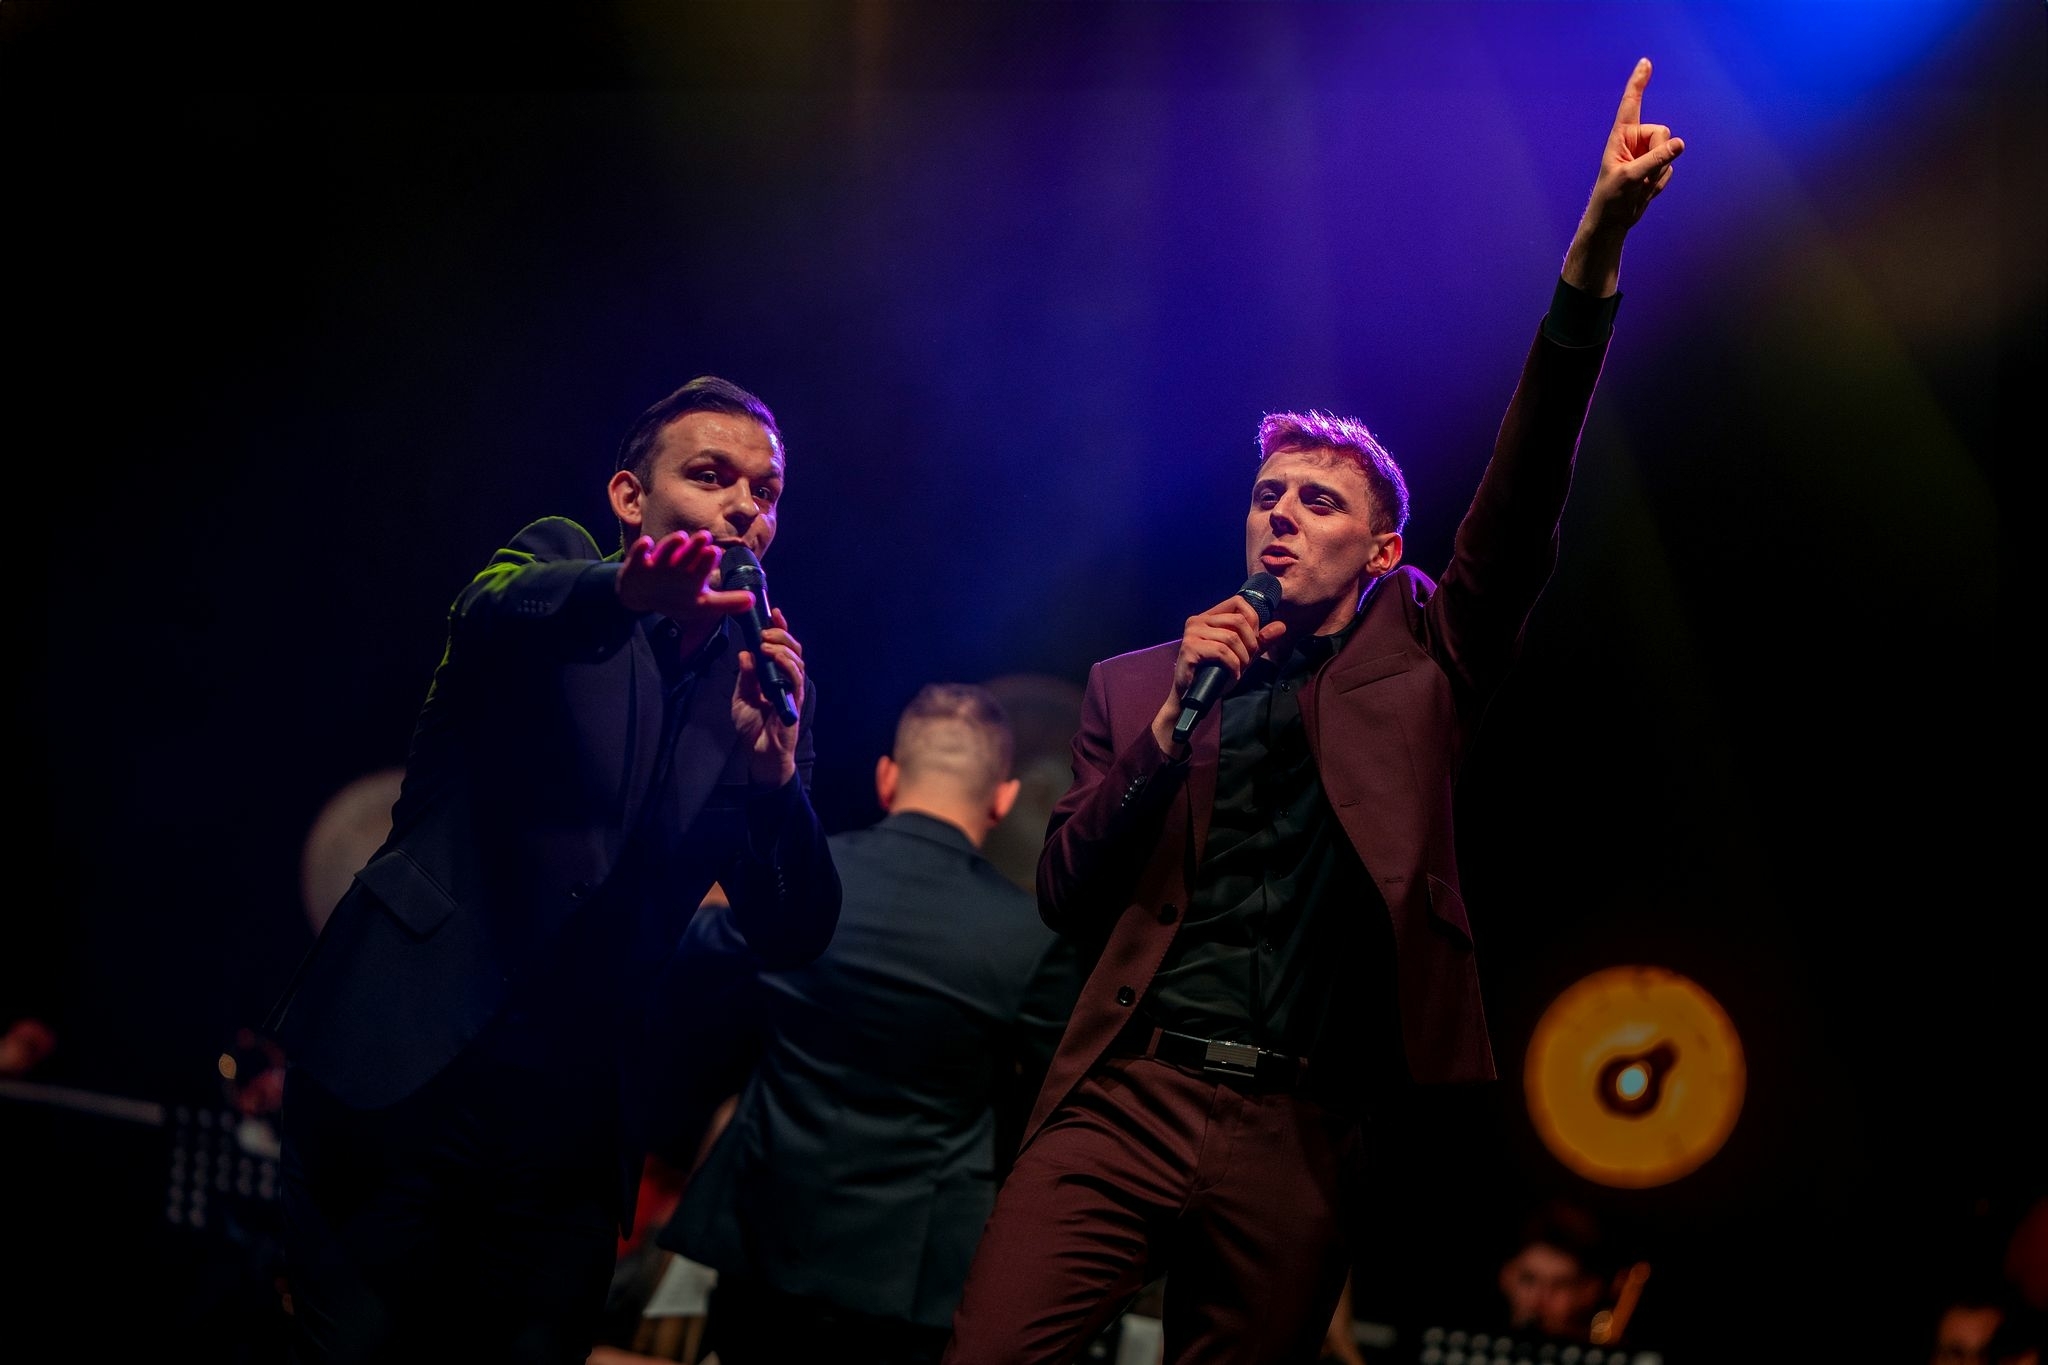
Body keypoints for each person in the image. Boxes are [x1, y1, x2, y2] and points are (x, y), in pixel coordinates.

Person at [940, 58, 1684, 1365]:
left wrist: (1591, 257)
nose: (1280, 512)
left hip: (1298, 1125)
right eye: (1266, 496)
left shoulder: (1428, 655)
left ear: (1383, 548)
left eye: (1318, 500)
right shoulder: (1139, 681)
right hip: (1127, 1093)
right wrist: (1168, 731)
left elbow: (1523, 492)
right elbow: (1061, 887)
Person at [260, 374, 842, 1363]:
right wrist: (624, 591)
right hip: (407, 1070)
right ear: (630, 498)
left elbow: (792, 930)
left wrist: (775, 780)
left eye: (767, 490)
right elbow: (490, 609)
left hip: (567, 1130)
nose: (746, 505)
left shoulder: (759, 687)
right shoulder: (559, 574)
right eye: (711, 476)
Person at [656, 681, 1082, 1365]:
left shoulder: (798, 895)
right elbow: (1057, 1098)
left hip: (765, 1233)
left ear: (887, 778)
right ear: (1003, 799)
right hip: (910, 1271)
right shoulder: (1029, 940)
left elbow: (677, 956)